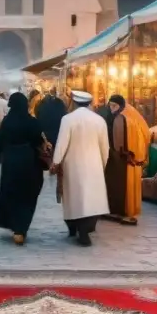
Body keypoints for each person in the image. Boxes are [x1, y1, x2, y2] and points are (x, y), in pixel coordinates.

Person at [50, 91, 110, 247]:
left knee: (73, 199)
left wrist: (56, 162)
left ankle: (73, 228)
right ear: (89, 103)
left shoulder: (68, 119)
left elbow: (61, 143)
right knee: (91, 199)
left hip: (73, 165)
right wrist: (102, 164)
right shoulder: (99, 120)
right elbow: (105, 147)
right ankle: (85, 230)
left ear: (74, 102)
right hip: (94, 164)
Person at [0, 92, 46, 245]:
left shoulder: (7, 122)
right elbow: (39, 142)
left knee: (12, 194)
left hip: (10, 166)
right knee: (28, 195)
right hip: (30, 164)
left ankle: (15, 227)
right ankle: (21, 228)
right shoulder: (32, 122)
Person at [105, 94, 151, 225]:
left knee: (122, 186)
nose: (112, 108)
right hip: (129, 158)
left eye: (114, 106)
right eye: (110, 106)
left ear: (120, 106)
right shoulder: (128, 114)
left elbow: (119, 142)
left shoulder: (121, 117)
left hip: (123, 159)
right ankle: (127, 208)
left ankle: (123, 209)